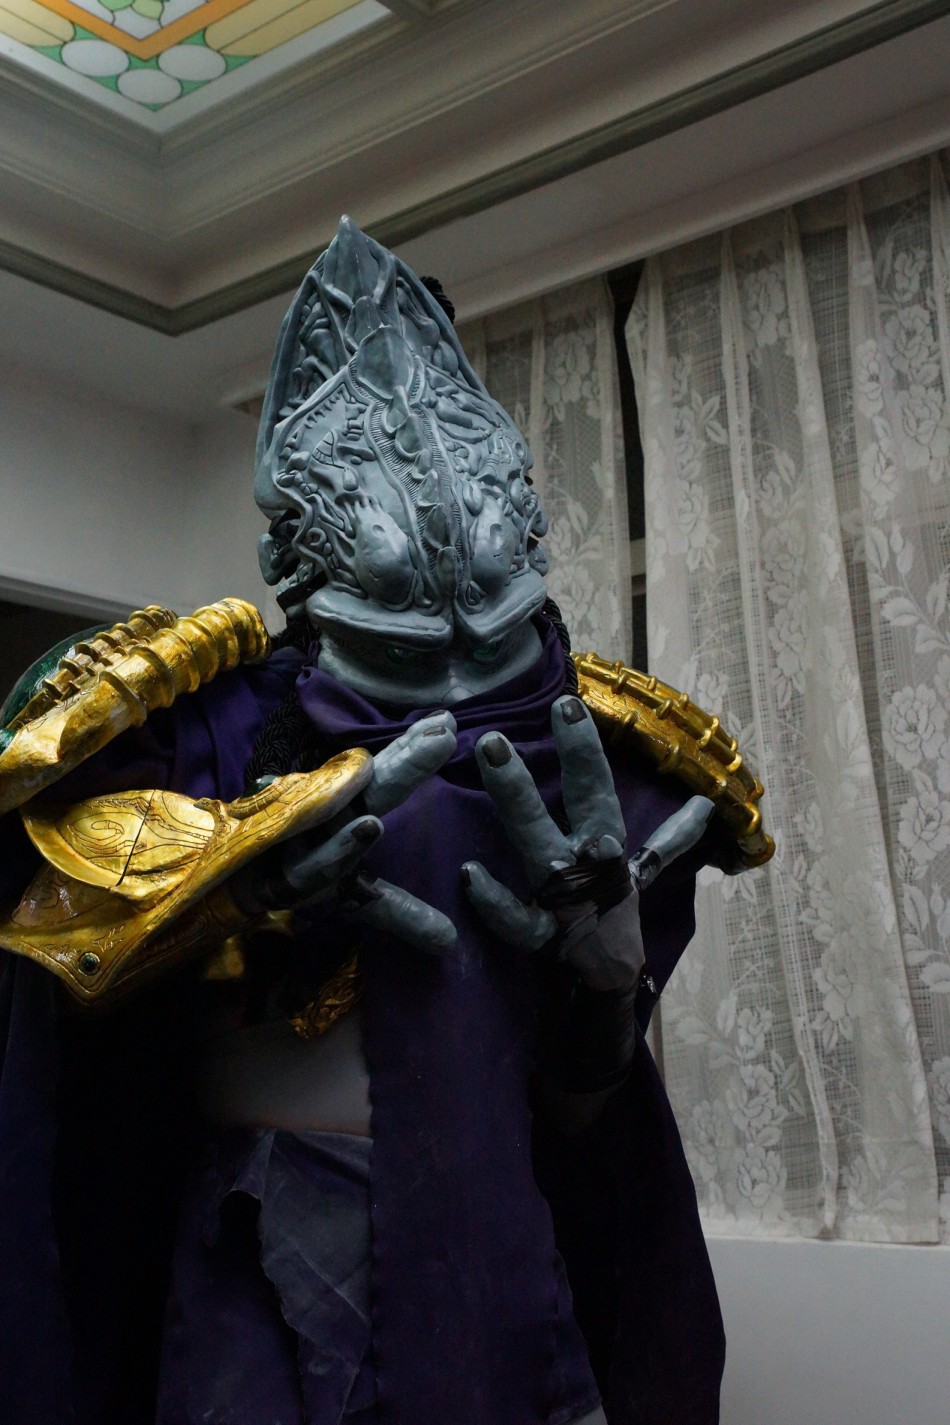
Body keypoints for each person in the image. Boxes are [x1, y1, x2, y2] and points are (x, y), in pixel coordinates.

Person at [0, 219, 771, 1425]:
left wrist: (601, 993)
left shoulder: (594, 753)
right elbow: (69, 976)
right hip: (257, 1250)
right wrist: (238, 885)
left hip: (495, 1253)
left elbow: (579, 1111)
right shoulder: (197, 728)